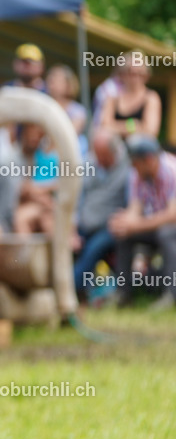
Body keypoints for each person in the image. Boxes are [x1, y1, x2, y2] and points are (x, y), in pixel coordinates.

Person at [108, 135, 176, 309]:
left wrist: (136, 225)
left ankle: (171, 294)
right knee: (124, 234)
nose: (132, 167)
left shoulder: (172, 170)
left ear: (149, 159)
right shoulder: (136, 174)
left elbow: (172, 215)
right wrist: (124, 222)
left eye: (135, 162)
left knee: (166, 233)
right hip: (154, 224)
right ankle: (123, 294)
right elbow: (135, 209)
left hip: (171, 227)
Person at [73, 134, 129, 300]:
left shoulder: (128, 167)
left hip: (109, 227)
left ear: (114, 152)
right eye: (97, 155)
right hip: (84, 225)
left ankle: (71, 290)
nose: (99, 160)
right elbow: (77, 199)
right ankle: (65, 289)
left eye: (103, 156)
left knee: (93, 249)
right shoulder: (89, 163)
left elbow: (132, 202)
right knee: (65, 244)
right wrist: (71, 231)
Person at [97, 53, 162, 142]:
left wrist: (116, 126)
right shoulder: (113, 98)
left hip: (141, 145)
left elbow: (151, 131)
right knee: (101, 139)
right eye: (131, 73)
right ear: (122, 74)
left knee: (135, 142)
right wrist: (134, 125)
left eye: (140, 73)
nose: (135, 78)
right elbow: (104, 126)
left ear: (147, 76)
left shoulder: (151, 97)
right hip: (116, 144)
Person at [13, 124, 59, 235]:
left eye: (38, 135)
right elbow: (23, 189)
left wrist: (42, 194)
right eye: (32, 133)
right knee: (21, 219)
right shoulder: (16, 157)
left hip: (44, 206)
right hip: (28, 205)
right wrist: (43, 198)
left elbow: (59, 185)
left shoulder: (46, 157)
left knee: (48, 222)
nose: (35, 138)